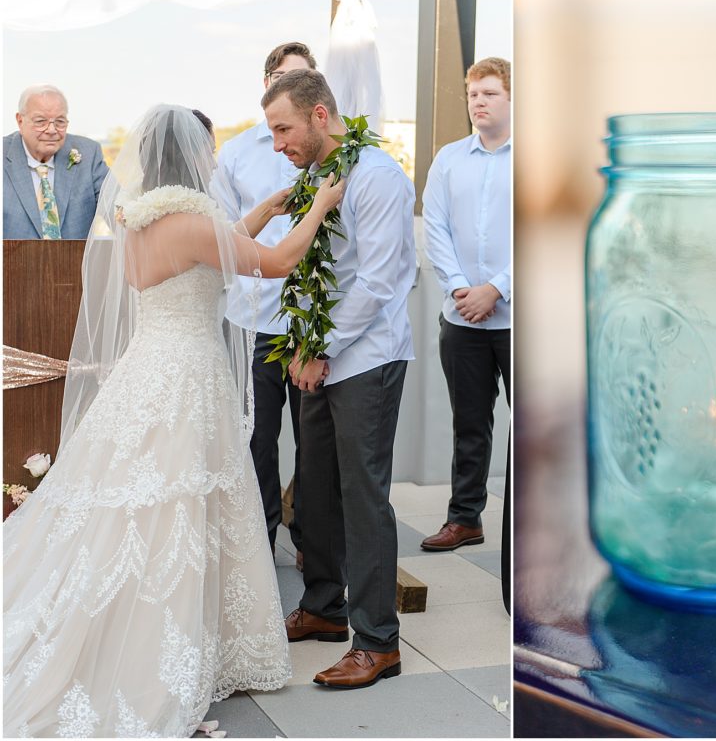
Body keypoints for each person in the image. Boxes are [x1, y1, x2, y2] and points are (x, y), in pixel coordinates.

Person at [3, 104, 347, 737]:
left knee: (139, 505)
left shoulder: (140, 219)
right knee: (179, 507)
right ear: (190, 158)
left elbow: (207, 254)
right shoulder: (190, 219)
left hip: (148, 369)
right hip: (187, 375)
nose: (212, 160)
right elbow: (269, 265)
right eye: (206, 150)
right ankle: (162, 645)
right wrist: (321, 205)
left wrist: (265, 213)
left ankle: (181, 634)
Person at [263, 70, 416, 690]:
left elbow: (379, 282)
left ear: (320, 116)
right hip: (318, 354)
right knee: (318, 489)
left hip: (368, 357)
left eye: (284, 129)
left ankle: (377, 641)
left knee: (363, 495)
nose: (277, 144)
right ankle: (324, 608)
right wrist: (304, 342)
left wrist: (319, 348)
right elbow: (313, 271)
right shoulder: (314, 179)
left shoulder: (376, 176)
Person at [210, 41, 317, 567]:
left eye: (299, 77)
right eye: (279, 76)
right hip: (252, 320)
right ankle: (258, 545)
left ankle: (313, 547)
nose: (287, 85)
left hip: (312, 324)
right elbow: (224, 236)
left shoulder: (333, 153)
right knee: (257, 441)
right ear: (265, 83)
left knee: (315, 444)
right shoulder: (235, 153)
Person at [421, 57, 511, 555]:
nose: (478, 102)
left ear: (513, 98)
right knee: (469, 424)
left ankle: (535, 525)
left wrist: (496, 289)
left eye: (490, 93)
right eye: (473, 94)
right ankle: (465, 519)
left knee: (534, 428)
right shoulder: (449, 158)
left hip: (519, 319)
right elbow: (435, 228)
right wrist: (461, 289)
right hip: (462, 319)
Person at [3, 84, 108, 239]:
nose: (51, 130)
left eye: (59, 121)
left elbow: (117, 209)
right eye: (40, 121)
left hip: (74, 261)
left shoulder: (88, 153)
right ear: (20, 120)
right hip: (10, 261)